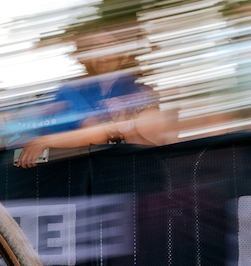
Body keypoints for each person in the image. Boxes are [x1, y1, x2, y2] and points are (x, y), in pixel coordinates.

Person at [16, 28, 174, 167]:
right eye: (96, 46)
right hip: (83, 176)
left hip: (130, 177)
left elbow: (155, 147)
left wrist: (126, 127)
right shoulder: (75, 90)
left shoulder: (141, 95)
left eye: (110, 46)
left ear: (125, 55)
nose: (102, 52)